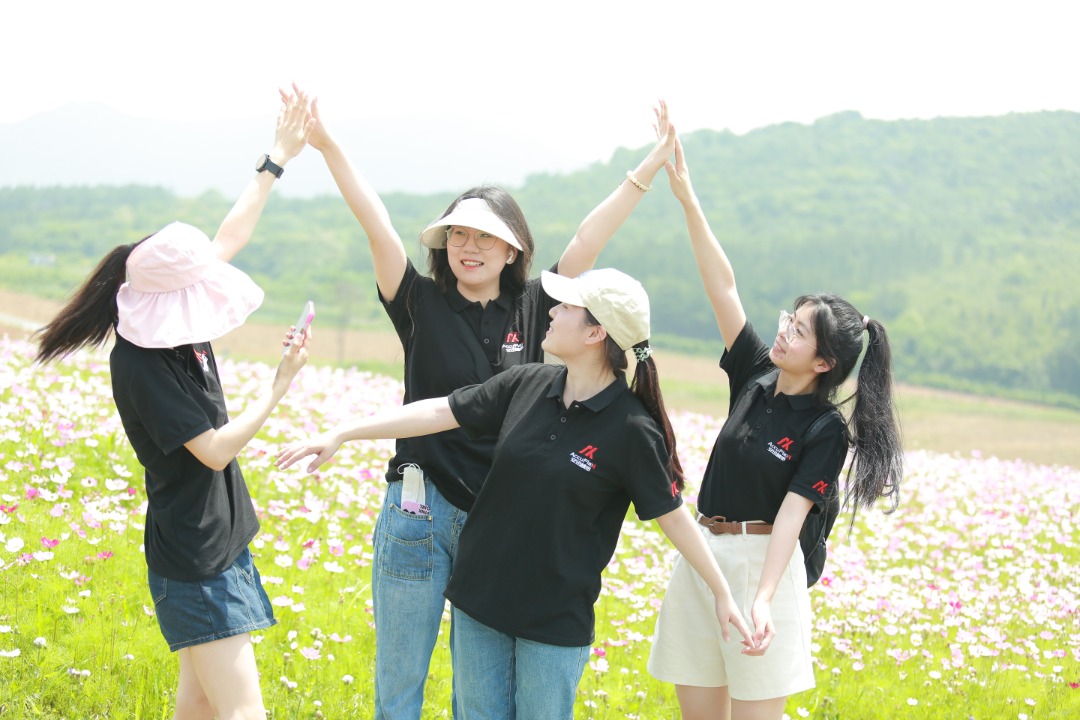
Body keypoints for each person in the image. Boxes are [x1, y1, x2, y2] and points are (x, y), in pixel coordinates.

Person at [296, 83, 680, 719]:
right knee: (400, 684)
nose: (467, 247)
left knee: (476, 696)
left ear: (512, 250)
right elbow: (376, 223)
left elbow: (590, 235)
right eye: (456, 235)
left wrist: (649, 166)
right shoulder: (417, 301)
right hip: (418, 508)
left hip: (498, 523)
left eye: (483, 238)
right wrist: (328, 145)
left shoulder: (541, 308)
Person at [275, 267, 756, 719]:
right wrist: (343, 432)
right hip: (480, 601)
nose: (551, 311)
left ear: (596, 333)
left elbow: (672, 516)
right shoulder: (528, 383)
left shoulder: (631, 429)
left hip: (554, 620)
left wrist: (721, 592)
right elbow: (439, 411)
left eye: (566, 307)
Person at [34, 93, 315, 720]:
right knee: (243, 712)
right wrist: (280, 384)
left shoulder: (171, 322)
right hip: (196, 558)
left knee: (199, 707)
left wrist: (277, 157)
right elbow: (213, 451)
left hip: (214, 544)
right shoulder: (142, 363)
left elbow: (229, 235)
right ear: (173, 301)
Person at [645, 134, 904, 719]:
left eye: (799, 331)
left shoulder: (825, 429)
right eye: (790, 319)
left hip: (763, 565)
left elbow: (792, 516)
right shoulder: (755, 375)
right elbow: (722, 286)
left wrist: (762, 598)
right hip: (703, 555)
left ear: (824, 363)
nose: (783, 330)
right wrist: (688, 200)